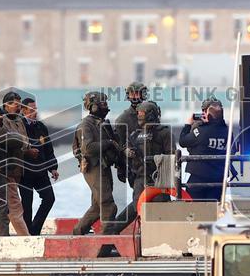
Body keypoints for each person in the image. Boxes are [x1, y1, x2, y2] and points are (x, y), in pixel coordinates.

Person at [106, 100, 174, 234]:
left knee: (160, 205)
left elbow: (171, 155)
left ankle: (160, 234)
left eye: (142, 113)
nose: (139, 116)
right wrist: (127, 153)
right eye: (138, 113)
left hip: (159, 179)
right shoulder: (134, 135)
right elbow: (126, 152)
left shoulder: (164, 133)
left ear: (150, 115)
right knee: (138, 205)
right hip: (140, 177)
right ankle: (115, 230)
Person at [72, 91, 120, 235]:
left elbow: (115, 145)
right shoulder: (85, 125)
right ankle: (106, 241)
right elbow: (88, 149)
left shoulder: (103, 123)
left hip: (104, 167)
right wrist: (109, 143)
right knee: (107, 205)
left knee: (98, 206)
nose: (106, 107)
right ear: (93, 107)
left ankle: (78, 232)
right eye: (103, 104)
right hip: (94, 167)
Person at [0, 102, 29, 236]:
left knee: (3, 212)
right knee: (15, 209)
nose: (2, 117)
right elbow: (17, 141)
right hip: (3, 175)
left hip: (4, 174)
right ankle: (26, 240)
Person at [178, 97, 231, 201]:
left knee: (193, 208)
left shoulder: (200, 131)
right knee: (214, 208)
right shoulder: (228, 132)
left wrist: (188, 124)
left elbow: (183, 141)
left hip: (198, 177)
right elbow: (232, 149)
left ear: (207, 113)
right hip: (219, 178)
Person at [20, 96, 58, 235]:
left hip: (41, 171)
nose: (35, 111)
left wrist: (53, 167)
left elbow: (49, 150)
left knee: (49, 198)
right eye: (32, 109)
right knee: (26, 204)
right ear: (23, 110)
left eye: (36, 109)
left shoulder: (41, 127)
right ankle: (26, 234)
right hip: (25, 172)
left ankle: (34, 230)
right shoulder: (19, 126)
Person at [114, 81, 147, 188]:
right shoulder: (123, 119)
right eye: (132, 94)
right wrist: (121, 168)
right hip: (135, 165)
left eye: (137, 93)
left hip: (153, 162)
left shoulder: (151, 112)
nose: (134, 97)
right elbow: (119, 145)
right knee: (139, 196)